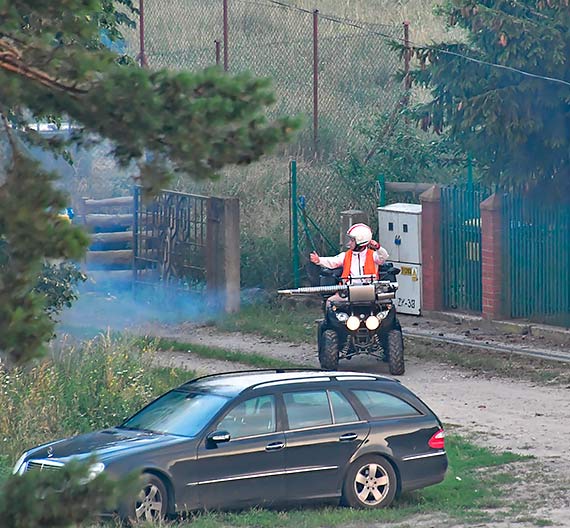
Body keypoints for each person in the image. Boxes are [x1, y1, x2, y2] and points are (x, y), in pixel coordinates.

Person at [310, 223, 389, 285]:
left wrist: (378, 247)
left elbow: (384, 257)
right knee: (331, 302)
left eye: (352, 240)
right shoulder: (346, 255)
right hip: (349, 291)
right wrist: (319, 260)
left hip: (371, 291)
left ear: (360, 241)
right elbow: (333, 261)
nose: (349, 243)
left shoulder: (373, 255)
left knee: (385, 304)